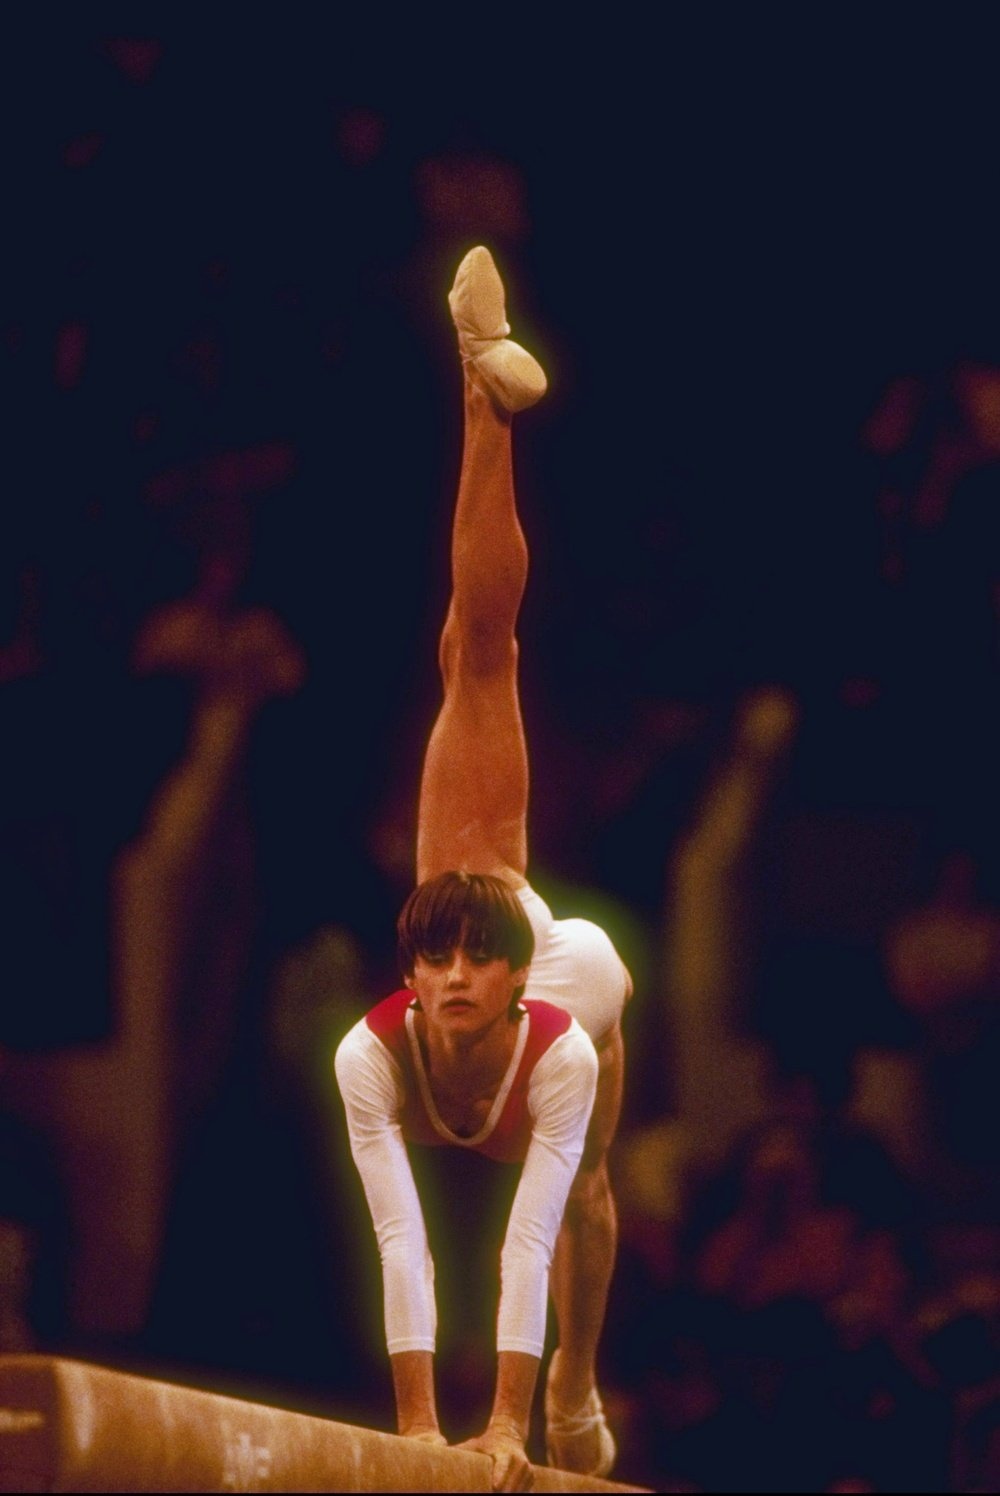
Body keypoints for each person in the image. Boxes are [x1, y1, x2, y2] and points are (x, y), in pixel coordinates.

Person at [335, 246, 632, 1493]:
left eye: (467, 963)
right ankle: (478, 386)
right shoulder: (371, 1045)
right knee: (471, 644)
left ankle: (577, 1381)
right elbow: (401, 1231)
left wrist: (511, 1417)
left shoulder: (552, 1024)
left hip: (570, 965)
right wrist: (417, 1422)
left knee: (587, 1194)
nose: (448, 977)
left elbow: (524, 1231)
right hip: (498, 913)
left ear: (505, 981)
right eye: (433, 959)